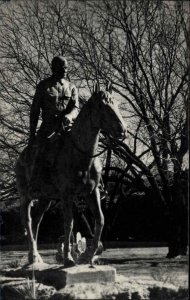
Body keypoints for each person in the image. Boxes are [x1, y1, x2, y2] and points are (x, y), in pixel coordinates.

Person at [28, 56, 79, 197]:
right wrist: (32, 135)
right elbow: (34, 111)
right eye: (62, 67)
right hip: (48, 128)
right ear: (53, 68)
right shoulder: (44, 86)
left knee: (85, 147)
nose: (65, 69)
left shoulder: (72, 87)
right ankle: (35, 184)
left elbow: (75, 108)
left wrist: (69, 116)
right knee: (41, 151)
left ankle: (97, 183)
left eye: (66, 67)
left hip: (67, 128)